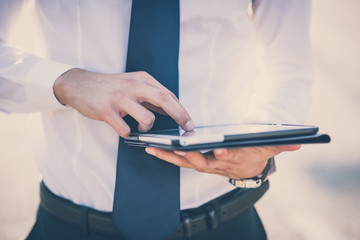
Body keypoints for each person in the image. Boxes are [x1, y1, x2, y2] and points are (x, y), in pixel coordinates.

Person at [0, 0, 313, 239]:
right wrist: (64, 81)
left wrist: (258, 154)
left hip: (225, 221)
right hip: (70, 226)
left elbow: (289, 66)